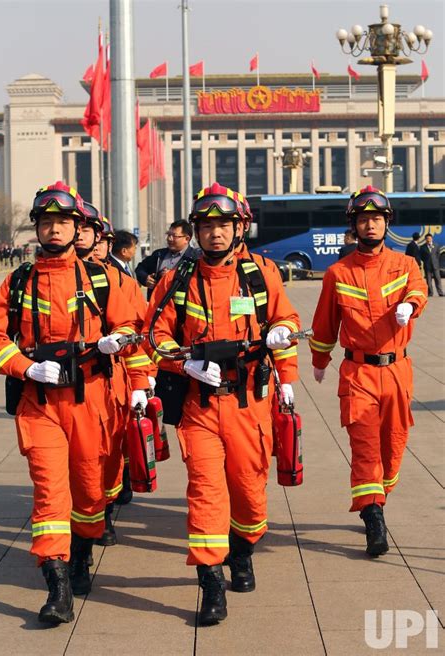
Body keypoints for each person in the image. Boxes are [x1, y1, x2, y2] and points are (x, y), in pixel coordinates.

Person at [0, 181, 143, 625]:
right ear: (37, 229)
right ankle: (57, 585)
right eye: (46, 222)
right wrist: (25, 368)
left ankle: (82, 551)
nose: (54, 230)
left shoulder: (105, 278)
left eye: (63, 222)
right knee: (50, 492)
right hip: (41, 401)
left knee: (90, 491)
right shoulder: (17, 281)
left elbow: (132, 327)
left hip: (94, 398)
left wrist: (117, 342)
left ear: (78, 227)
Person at [143, 182, 300, 626]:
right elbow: (154, 336)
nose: (215, 233)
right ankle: (211, 581)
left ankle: (243, 549)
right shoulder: (178, 280)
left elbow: (286, 319)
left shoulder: (263, 273)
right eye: (207, 225)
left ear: (239, 228)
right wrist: (184, 364)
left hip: (252, 403)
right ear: (196, 231)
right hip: (200, 406)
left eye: (223, 225)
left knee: (250, 497)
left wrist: (285, 363)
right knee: (206, 492)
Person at [309, 186, 427, 557]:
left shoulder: (405, 264)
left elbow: (420, 288)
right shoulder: (337, 273)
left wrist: (410, 304)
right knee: (364, 448)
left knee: (393, 449)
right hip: (357, 373)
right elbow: (325, 321)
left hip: (396, 370)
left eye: (376, 219)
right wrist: (319, 360)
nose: (370, 225)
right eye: (364, 219)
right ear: (354, 226)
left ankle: (379, 493)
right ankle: (372, 516)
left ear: (386, 223)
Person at [75, 205, 152, 541]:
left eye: (100, 241)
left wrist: (144, 378)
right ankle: (88, 527)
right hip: (69, 386)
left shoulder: (121, 282)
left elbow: (139, 330)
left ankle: (104, 510)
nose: (94, 247)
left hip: (114, 377)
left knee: (112, 450)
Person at [135, 220, 199, 299]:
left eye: (174, 236)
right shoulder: (159, 254)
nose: (169, 239)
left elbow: (196, 283)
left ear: (187, 239)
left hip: (179, 307)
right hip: (156, 304)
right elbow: (140, 268)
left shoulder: (195, 258)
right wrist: (145, 278)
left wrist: (173, 276)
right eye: (168, 235)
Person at [420, 233, 443, 297]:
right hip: (427, 266)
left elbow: (438, 254)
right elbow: (421, 256)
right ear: (425, 239)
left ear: (432, 238)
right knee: (428, 281)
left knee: (438, 279)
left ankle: (440, 292)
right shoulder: (422, 247)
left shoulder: (436, 245)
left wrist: (435, 261)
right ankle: (430, 293)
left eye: (429, 238)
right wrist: (426, 261)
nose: (428, 239)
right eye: (427, 238)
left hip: (435, 265)